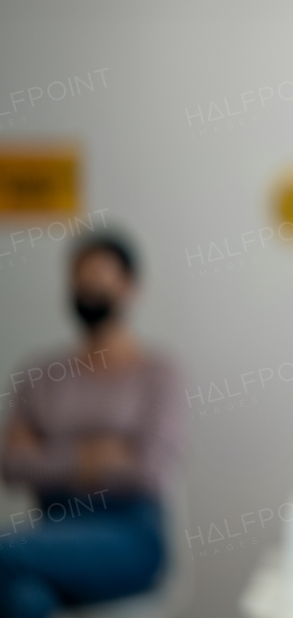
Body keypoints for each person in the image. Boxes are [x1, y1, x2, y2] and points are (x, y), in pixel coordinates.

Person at [0, 234, 187, 618]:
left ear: (129, 287)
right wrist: (94, 455)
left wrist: (47, 455)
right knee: (23, 597)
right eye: (78, 279)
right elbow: (11, 465)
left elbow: (146, 471)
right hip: (52, 529)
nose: (87, 289)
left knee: (6, 553)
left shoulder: (157, 374)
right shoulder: (40, 375)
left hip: (129, 534)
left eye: (99, 277)